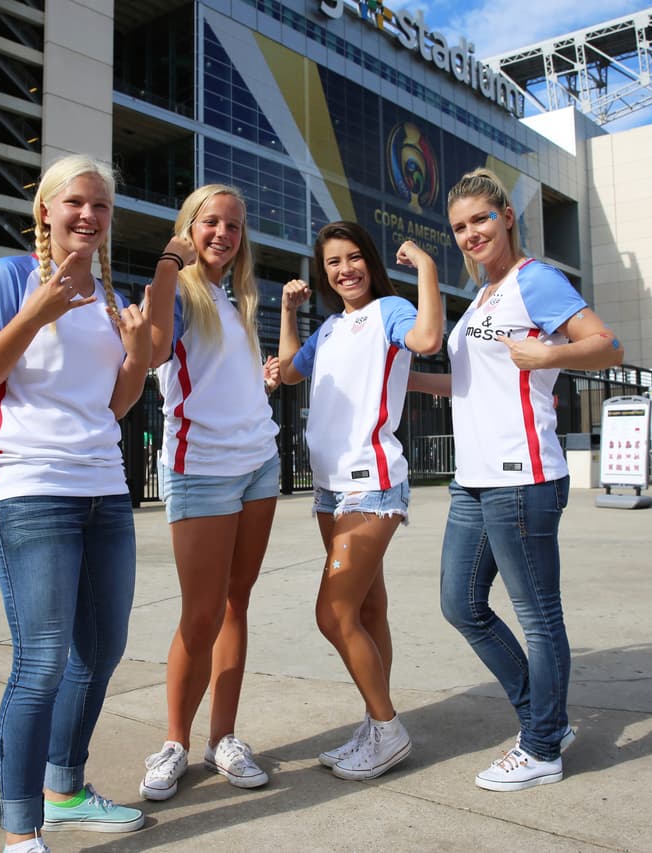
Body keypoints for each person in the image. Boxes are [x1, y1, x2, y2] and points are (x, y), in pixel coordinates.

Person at [0, 153, 185, 852]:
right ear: (47, 211)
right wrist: (35, 314)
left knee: (101, 649)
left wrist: (134, 355)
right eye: (76, 203)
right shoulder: (9, 278)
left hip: (104, 495)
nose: (88, 216)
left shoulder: (112, 300)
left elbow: (114, 406)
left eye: (101, 207)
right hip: (30, 491)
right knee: (42, 660)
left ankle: (65, 789)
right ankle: (20, 830)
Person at [408, 168, 623, 792]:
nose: (470, 234)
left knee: (537, 616)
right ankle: (545, 721)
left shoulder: (536, 281)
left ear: (505, 216)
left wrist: (553, 353)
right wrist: (406, 380)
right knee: (462, 604)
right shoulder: (483, 296)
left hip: (522, 476)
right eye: (459, 228)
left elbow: (606, 344)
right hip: (474, 479)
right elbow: (474, 383)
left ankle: (542, 749)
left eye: (480, 219)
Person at [277, 223, 442, 780]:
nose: (344, 270)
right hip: (329, 489)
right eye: (332, 263)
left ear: (369, 262)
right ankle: (376, 725)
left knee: (333, 613)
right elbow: (289, 371)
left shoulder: (391, 310)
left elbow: (427, 341)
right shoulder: (329, 328)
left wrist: (425, 269)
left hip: (370, 484)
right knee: (368, 610)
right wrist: (288, 313)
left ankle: (389, 730)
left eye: (353, 259)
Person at [139, 184, 282, 803]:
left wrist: (261, 386)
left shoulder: (237, 299)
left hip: (260, 465)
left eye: (234, 225)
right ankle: (174, 741)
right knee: (199, 615)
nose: (224, 233)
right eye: (211, 222)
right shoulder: (177, 290)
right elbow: (148, 352)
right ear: (188, 228)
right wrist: (168, 264)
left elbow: (223, 380)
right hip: (202, 470)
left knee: (235, 604)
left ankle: (222, 737)